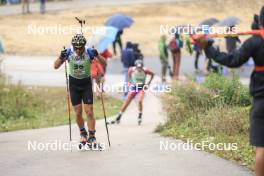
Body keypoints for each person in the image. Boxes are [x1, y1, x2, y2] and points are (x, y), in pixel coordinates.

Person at [195, 7, 264, 176]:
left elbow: (233, 60)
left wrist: (207, 48)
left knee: (262, 148)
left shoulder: (255, 42)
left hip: (262, 101)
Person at [54, 34, 106, 144]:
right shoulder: (68, 52)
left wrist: (98, 55)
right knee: (78, 112)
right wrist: (60, 57)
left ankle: (92, 136)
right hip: (74, 84)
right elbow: (55, 66)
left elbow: (104, 63)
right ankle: (83, 133)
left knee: (89, 112)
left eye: (80, 48)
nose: (78, 50)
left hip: (86, 83)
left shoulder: (90, 52)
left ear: (84, 46)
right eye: (76, 48)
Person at [108, 59, 154, 125]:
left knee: (140, 101)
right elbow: (129, 75)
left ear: (142, 67)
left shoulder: (145, 70)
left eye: (140, 68)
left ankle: (139, 116)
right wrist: (129, 83)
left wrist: (148, 83)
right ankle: (119, 117)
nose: (139, 69)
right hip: (134, 87)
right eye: (138, 68)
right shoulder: (131, 69)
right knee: (127, 102)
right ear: (135, 67)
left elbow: (153, 74)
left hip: (142, 87)